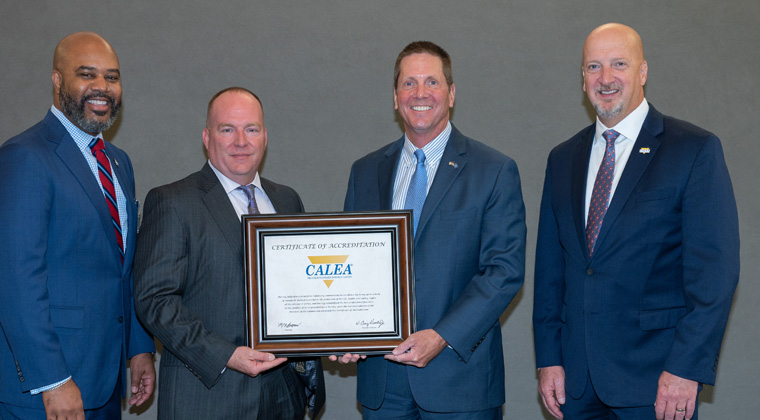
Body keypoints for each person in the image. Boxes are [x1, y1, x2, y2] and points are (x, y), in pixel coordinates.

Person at [533, 23, 740, 420]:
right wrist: (549, 358)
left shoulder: (693, 149)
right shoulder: (562, 159)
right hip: (577, 385)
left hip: (659, 382)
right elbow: (550, 273)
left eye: (619, 64)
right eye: (594, 66)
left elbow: (715, 273)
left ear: (643, 72)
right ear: (582, 79)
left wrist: (685, 368)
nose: (605, 78)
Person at [337, 41, 526, 419]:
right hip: (383, 383)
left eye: (432, 82)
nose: (420, 94)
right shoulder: (366, 171)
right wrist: (345, 330)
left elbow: (504, 272)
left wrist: (440, 337)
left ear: (451, 94)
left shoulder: (493, 170)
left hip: (461, 382)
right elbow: (351, 263)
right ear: (395, 97)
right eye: (409, 84)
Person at [0, 32, 156, 419]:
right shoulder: (22, 158)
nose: (102, 87)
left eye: (112, 76)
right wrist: (52, 380)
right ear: (57, 80)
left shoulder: (118, 163)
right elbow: (15, 281)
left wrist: (138, 348)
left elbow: (121, 269)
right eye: (87, 74)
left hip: (103, 379)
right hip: (43, 389)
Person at [134, 87, 324, 420]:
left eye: (251, 129)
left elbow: (302, 291)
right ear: (207, 137)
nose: (241, 141)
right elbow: (154, 300)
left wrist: (342, 333)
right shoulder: (174, 202)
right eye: (227, 129)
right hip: (207, 398)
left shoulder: (287, 201)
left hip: (282, 397)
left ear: (265, 137)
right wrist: (226, 355)